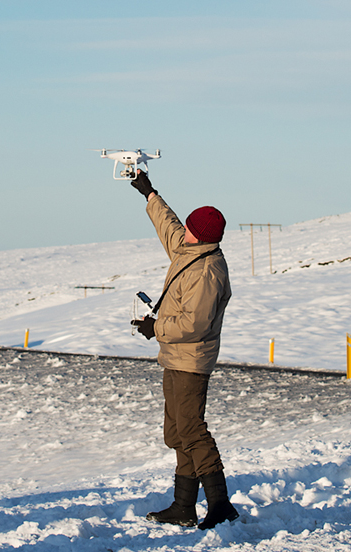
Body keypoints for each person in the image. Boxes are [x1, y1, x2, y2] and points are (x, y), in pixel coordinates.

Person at [129, 170, 240, 530]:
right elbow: (170, 226)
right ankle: (183, 506)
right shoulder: (191, 248)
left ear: (200, 234)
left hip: (191, 361)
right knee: (176, 432)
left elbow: (194, 325)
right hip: (175, 358)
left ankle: (220, 505)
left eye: (191, 226)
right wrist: (149, 193)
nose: (185, 230)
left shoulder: (208, 271)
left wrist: (154, 328)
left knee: (192, 431)